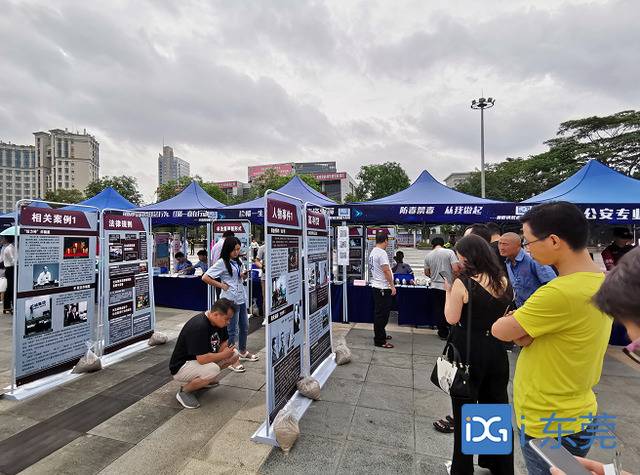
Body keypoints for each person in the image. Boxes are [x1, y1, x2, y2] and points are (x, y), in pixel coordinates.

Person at [491, 202, 611, 475]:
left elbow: (500, 330)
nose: (527, 247)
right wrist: (524, 332)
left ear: (554, 240)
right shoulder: (600, 281)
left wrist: (520, 329)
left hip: (547, 421)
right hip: (576, 412)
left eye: (529, 240)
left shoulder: (560, 292)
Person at [443, 234, 514, 475]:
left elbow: (451, 319)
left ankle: (463, 469)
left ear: (468, 256)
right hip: (495, 349)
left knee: (464, 411)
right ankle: (496, 464)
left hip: (468, 351)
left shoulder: (464, 282)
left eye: (460, 255)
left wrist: (448, 291)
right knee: (494, 407)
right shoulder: (503, 280)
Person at [169, 298, 241, 409]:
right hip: (182, 366)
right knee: (213, 370)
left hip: (198, 361)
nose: (228, 322)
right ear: (216, 314)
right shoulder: (199, 326)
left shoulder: (218, 323)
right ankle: (184, 391)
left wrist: (227, 351)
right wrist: (223, 355)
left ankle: (204, 380)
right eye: (227, 319)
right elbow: (202, 359)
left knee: (234, 354)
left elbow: (223, 342)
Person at [203, 236, 259, 372]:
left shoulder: (237, 261)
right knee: (232, 331)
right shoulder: (222, 262)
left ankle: (243, 351)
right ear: (228, 249)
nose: (237, 252)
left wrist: (243, 275)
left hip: (241, 298)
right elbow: (205, 277)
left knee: (245, 326)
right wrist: (221, 285)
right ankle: (232, 359)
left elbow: (238, 277)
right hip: (229, 301)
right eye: (234, 250)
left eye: (238, 249)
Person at [498, 232, 556, 308]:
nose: (501, 247)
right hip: (522, 309)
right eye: (499, 243)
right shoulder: (508, 262)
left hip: (539, 308)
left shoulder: (533, 260)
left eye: (505, 244)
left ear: (518, 245)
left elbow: (552, 284)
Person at [424, 237, 461, 339]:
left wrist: (434, 276)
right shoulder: (449, 252)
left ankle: (442, 332)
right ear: (443, 244)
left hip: (434, 286)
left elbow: (426, 272)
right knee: (449, 308)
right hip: (447, 287)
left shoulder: (428, 255)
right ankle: (451, 331)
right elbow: (455, 269)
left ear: (432, 245)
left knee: (438, 309)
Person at [369, 231, 396, 348]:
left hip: (377, 286)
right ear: (385, 240)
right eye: (387, 241)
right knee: (382, 315)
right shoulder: (381, 253)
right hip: (383, 288)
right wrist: (392, 286)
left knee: (380, 313)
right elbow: (386, 270)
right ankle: (379, 340)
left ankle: (381, 334)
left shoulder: (373, 251)